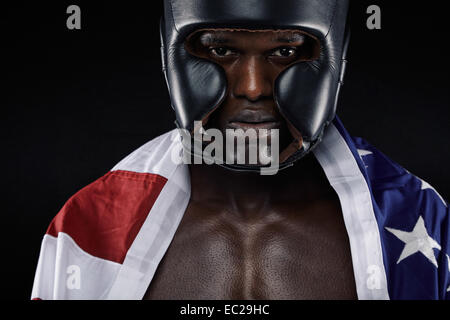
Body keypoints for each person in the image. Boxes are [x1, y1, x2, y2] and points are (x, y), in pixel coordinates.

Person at [31, 0, 449, 300]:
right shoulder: (87, 227)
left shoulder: (420, 219)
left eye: (285, 52)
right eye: (220, 49)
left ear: (338, 58)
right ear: (168, 54)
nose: (252, 86)